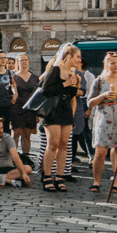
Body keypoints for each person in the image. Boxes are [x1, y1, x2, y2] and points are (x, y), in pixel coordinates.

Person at [37, 44, 82, 192]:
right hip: (52, 111)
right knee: (53, 144)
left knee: (64, 145)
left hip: (66, 110)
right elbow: (46, 90)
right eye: (77, 57)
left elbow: (70, 95)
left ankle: (60, 177)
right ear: (69, 56)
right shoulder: (55, 70)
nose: (79, 60)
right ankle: (47, 176)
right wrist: (66, 83)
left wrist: (75, 85)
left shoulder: (72, 72)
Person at [88, 51, 117, 193]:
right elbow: (90, 103)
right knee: (100, 151)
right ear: (106, 63)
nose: (115, 65)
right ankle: (96, 182)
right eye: (112, 62)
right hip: (103, 117)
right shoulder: (99, 81)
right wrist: (103, 95)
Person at [8, 52, 40, 159]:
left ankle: (26, 157)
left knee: (27, 134)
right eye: (21, 60)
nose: (24, 62)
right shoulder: (13, 76)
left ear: (29, 62)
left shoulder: (35, 78)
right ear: (17, 62)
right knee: (16, 133)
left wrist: (37, 113)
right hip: (16, 107)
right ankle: (13, 157)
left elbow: (37, 95)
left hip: (30, 108)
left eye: (25, 60)